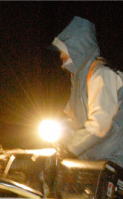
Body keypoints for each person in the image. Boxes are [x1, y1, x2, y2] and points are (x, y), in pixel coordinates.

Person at [50, 16, 123, 167]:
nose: (61, 56)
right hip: (97, 162)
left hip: (116, 160)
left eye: (63, 50)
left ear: (78, 47)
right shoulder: (78, 80)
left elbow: (100, 123)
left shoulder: (101, 74)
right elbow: (72, 119)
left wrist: (71, 148)